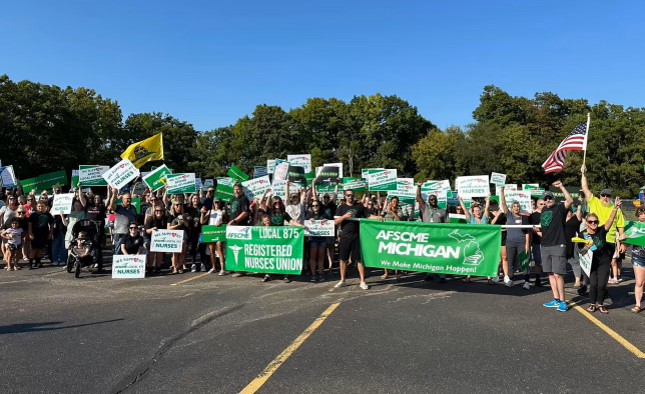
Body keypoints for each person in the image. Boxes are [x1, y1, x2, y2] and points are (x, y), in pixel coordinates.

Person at [581, 166, 626, 283]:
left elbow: (620, 226)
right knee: (591, 264)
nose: (605, 198)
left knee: (606, 267)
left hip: (610, 241)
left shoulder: (616, 209)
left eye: (608, 196)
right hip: (594, 239)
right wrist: (584, 174)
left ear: (611, 197)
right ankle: (588, 284)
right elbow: (585, 188)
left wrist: (622, 243)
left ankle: (602, 288)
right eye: (603, 195)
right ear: (599, 196)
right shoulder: (594, 201)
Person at [334, 189, 382, 290]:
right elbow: (336, 221)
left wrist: (377, 217)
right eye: (348, 195)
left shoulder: (359, 206)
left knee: (359, 259)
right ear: (344, 196)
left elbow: (368, 216)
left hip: (357, 236)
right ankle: (342, 280)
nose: (350, 197)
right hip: (345, 236)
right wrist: (344, 216)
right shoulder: (341, 207)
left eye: (351, 195)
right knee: (343, 259)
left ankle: (362, 281)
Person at [580, 198, 621, 314]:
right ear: (586, 223)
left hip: (603, 261)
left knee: (602, 285)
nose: (593, 224)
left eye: (595, 222)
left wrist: (615, 208)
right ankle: (593, 304)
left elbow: (610, 220)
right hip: (591, 263)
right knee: (593, 284)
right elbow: (581, 252)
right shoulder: (582, 234)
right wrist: (587, 247)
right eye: (591, 222)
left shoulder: (601, 231)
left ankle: (601, 304)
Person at [540, 182, 573, 312]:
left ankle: (563, 301)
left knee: (558, 274)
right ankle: (556, 299)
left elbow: (570, 200)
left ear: (554, 198)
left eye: (550, 197)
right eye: (546, 199)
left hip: (558, 244)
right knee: (550, 274)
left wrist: (561, 187)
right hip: (545, 245)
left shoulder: (559, 208)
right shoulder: (543, 210)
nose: (548, 200)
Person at [416, 185, 448, 282]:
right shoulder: (425, 208)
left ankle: (442, 274)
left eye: (434, 199)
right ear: (429, 201)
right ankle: (429, 273)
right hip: (427, 236)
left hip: (438, 237)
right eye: (431, 199)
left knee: (440, 256)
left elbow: (447, 225)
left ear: (437, 200)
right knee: (428, 255)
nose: (433, 200)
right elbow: (418, 197)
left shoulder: (442, 211)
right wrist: (419, 186)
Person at [499, 189, 529, 288]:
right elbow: (503, 203)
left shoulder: (523, 217)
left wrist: (527, 245)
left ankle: (526, 282)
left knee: (523, 262)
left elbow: (527, 232)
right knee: (510, 261)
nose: (516, 208)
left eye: (517, 206)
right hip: (510, 242)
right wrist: (502, 191)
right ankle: (511, 279)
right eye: (514, 206)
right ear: (511, 208)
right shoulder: (509, 216)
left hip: (521, 242)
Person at [459, 196, 490, 283]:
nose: (478, 212)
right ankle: (468, 277)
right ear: (472, 212)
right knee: (470, 259)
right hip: (473, 244)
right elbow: (465, 210)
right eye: (476, 211)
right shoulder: (471, 220)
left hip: (485, 243)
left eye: (479, 210)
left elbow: (487, 208)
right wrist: (460, 200)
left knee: (486, 259)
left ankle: (489, 278)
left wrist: (488, 199)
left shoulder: (484, 219)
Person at [623, 206, 645, 313]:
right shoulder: (634, 227)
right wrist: (623, 242)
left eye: (644, 213)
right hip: (639, 256)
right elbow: (626, 239)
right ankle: (638, 305)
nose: (642, 215)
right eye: (640, 213)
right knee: (639, 282)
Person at [200, 198, 228, 275]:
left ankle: (223, 269)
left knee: (220, 250)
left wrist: (222, 221)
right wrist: (202, 213)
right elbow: (202, 221)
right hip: (211, 232)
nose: (216, 204)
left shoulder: (222, 212)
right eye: (215, 202)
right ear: (213, 203)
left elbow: (227, 221)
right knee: (211, 251)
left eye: (218, 202)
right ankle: (214, 267)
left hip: (219, 232)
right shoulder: (210, 211)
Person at [229, 183, 251, 278]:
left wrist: (234, 221)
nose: (236, 191)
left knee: (241, 248)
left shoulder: (244, 199)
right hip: (233, 227)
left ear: (241, 190)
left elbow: (245, 213)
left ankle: (242, 270)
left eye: (238, 189)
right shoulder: (233, 198)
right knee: (234, 247)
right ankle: (237, 267)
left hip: (241, 227)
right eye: (235, 189)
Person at [108, 188, 138, 252]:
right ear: (122, 199)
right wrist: (114, 194)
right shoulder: (118, 207)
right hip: (120, 233)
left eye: (130, 198)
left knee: (128, 252)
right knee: (118, 252)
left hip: (130, 233)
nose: (129, 200)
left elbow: (135, 218)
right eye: (127, 198)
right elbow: (111, 205)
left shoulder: (133, 207)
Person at [380, 196, 403, 280]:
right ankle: (386, 272)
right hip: (386, 234)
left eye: (396, 201)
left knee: (395, 253)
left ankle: (396, 272)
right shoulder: (385, 211)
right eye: (393, 201)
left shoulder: (399, 210)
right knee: (385, 253)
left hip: (396, 234)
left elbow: (399, 220)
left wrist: (393, 213)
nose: (394, 203)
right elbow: (380, 218)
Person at [27, 201, 54, 269]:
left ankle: (38, 262)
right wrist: (30, 233)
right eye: (39, 206)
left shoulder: (48, 215)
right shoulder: (33, 215)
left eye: (42, 206)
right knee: (34, 249)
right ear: (36, 207)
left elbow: (51, 224)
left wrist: (50, 233)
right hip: (35, 233)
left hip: (44, 233)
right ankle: (30, 263)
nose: (40, 208)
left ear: (45, 207)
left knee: (40, 248)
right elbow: (30, 224)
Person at [167, 199, 191, 274]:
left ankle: (179, 266)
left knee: (182, 251)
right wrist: (177, 225)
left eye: (180, 205)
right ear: (174, 206)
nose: (179, 206)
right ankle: (174, 268)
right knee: (175, 252)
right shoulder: (171, 216)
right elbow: (168, 228)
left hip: (183, 234)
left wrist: (184, 219)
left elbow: (188, 225)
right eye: (177, 205)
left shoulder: (185, 214)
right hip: (174, 235)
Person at [144, 203, 167, 274]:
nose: (158, 212)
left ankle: (158, 268)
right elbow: (147, 231)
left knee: (160, 252)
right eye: (157, 211)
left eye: (160, 211)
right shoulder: (150, 219)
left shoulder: (165, 219)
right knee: (152, 251)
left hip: (160, 238)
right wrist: (152, 229)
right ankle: (150, 267)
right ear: (154, 212)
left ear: (163, 212)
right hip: (149, 237)